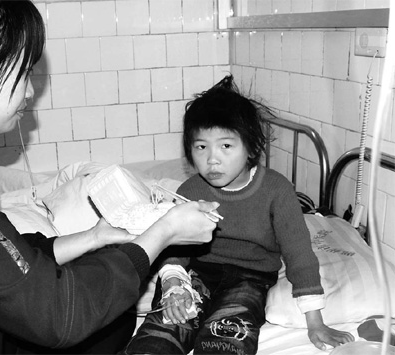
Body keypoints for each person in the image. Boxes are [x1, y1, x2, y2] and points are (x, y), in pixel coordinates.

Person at [0, 1, 221, 354]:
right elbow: (56, 316)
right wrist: (166, 231)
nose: (31, 92)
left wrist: (93, 237)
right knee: (90, 308)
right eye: (23, 74)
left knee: (114, 314)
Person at [121, 75, 355, 355]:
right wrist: (173, 282)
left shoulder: (276, 190)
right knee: (165, 327)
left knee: (228, 335)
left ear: (252, 148)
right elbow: (174, 245)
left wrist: (315, 322)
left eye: (226, 146)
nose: (212, 159)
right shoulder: (191, 189)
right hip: (197, 270)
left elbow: (299, 255)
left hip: (251, 277)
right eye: (201, 147)